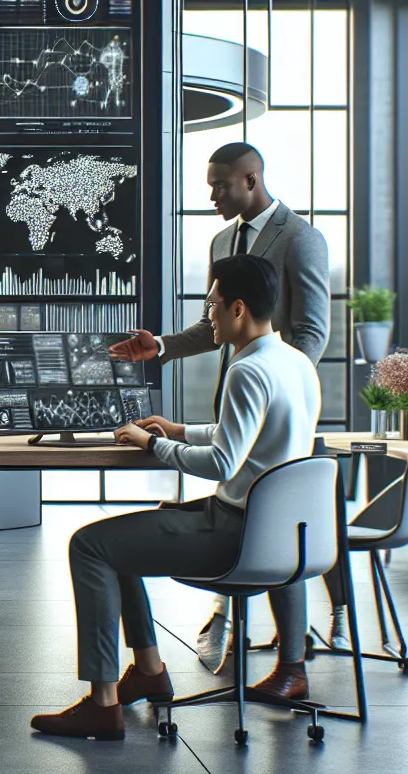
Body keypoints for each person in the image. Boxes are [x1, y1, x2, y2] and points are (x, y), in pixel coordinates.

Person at [31, 255, 321, 740]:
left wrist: (154, 443)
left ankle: (103, 706)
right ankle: (147, 669)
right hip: (279, 536)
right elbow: (249, 434)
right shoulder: (295, 363)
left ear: (239, 309)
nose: (208, 314)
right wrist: (181, 429)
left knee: (89, 544)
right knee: (118, 543)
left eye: (213, 304)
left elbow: (223, 463)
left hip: (234, 535)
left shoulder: (247, 370)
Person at [108, 141, 331, 672]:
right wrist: (160, 346)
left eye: (220, 185)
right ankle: (236, 631)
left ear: (251, 179)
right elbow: (219, 325)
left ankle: (292, 661)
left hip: (280, 408)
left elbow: (313, 331)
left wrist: (273, 382)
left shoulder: (301, 239)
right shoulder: (223, 240)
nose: (211, 195)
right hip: (239, 403)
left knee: (277, 526)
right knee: (241, 517)